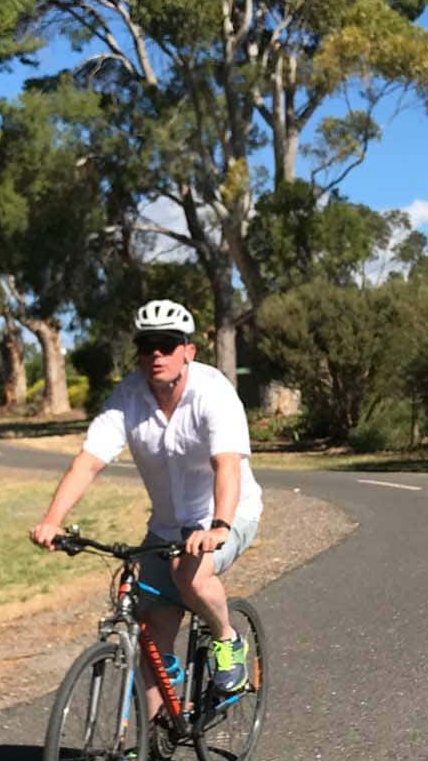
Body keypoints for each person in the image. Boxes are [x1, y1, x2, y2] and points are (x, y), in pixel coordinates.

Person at [30, 300, 260, 702]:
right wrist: (52, 520)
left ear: (188, 350)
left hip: (226, 511)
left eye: (168, 344)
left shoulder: (213, 392)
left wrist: (219, 526)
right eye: (147, 345)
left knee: (190, 577)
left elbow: (227, 465)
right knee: (150, 630)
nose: (156, 354)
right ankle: (150, 752)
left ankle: (227, 639)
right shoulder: (129, 396)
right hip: (168, 524)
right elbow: (88, 462)